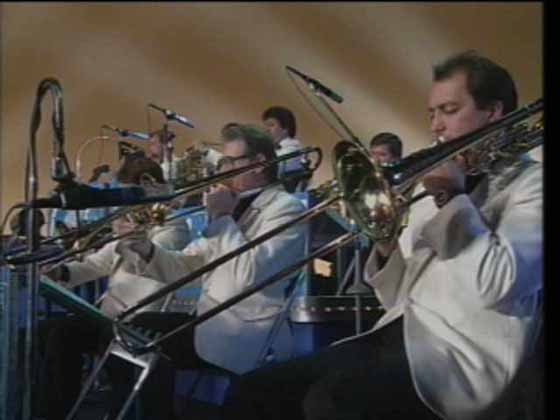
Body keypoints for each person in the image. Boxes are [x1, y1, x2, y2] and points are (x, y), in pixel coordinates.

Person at [222, 50, 543, 420]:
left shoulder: (531, 182)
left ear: (494, 112)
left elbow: (498, 284)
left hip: (463, 357)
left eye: (449, 110)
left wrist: (452, 200)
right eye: (432, 113)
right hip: (400, 334)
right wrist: (387, 244)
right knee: (255, 391)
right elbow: (395, 296)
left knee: (332, 401)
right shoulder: (435, 181)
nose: (437, 126)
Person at [112, 124, 308, 419]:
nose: (222, 169)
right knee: (130, 329)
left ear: (258, 163)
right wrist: (144, 248)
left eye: (230, 161)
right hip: (211, 322)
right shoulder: (235, 205)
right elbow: (186, 266)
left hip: (246, 330)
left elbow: (248, 276)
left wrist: (221, 218)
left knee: (142, 337)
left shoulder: (286, 209)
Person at [37, 155, 191, 420]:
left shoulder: (175, 226)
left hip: (140, 318)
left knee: (73, 335)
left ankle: (119, 409)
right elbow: (97, 264)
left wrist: (128, 240)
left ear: (148, 188)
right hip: (109, 315)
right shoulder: (131, 220)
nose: (123, 202)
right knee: (52, 332)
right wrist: (61, 271)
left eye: (128, 193)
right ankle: (57, 409)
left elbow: (156, 261)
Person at [262, 106, 310, 192]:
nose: (266, 130)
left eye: (271, 125)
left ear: (285, 128)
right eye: (265, 126)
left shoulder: (292, 150)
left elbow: (267, 174)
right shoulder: (275, 149)